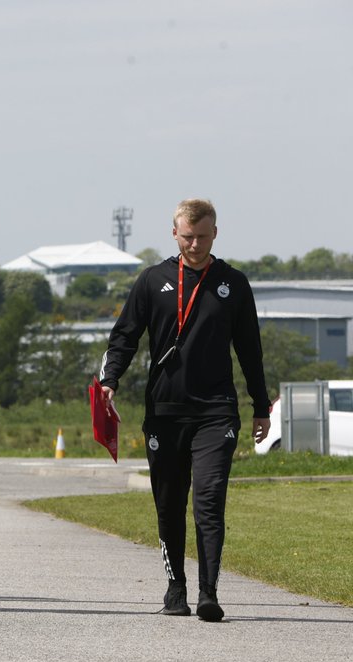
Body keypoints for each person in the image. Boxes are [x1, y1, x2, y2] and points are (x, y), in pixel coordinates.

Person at [99, 198, 270, 622]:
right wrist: (109, 380)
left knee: (209, 499)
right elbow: (124, 337)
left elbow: (250, 350)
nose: (195, 244)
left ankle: (209, 592)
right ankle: (176, 588)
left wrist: (260, 406)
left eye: (203, 237)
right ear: (174, 233)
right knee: (170, 502)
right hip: (165, 411)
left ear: (216, 234)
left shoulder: (233, 283)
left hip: (216, 411)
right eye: (188, 237)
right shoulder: (152, 280)